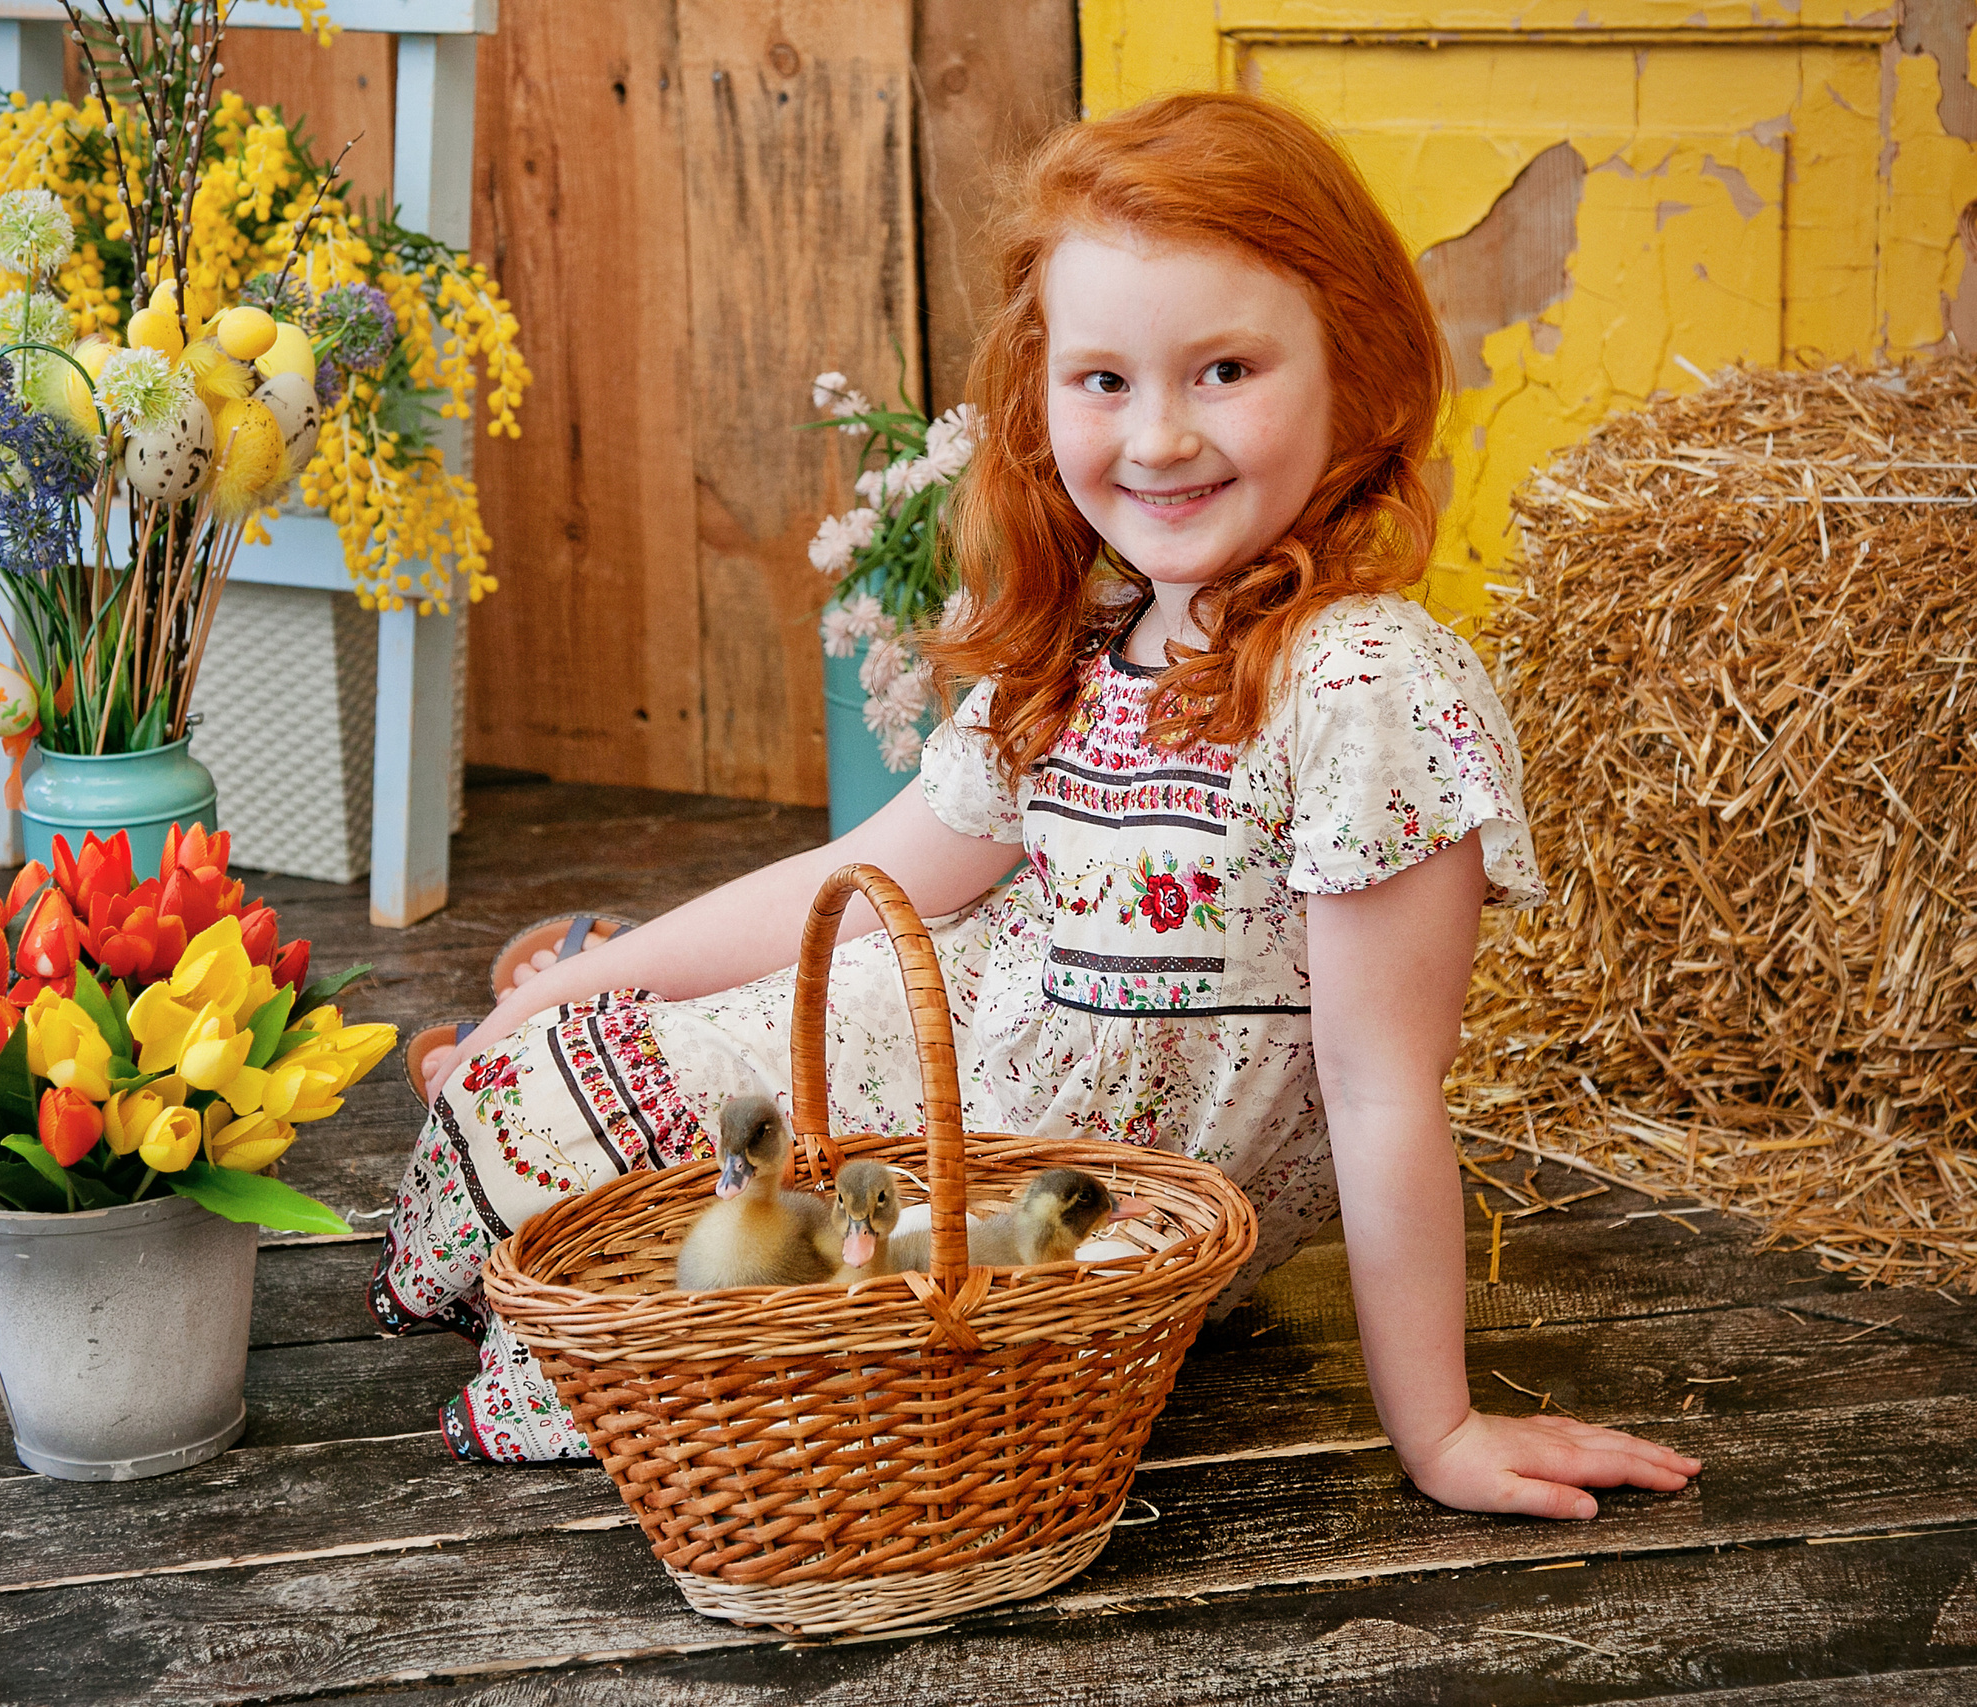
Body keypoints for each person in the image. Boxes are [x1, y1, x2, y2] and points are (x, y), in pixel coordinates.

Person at [371, 89, 1701, 1520]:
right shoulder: (1089, 644)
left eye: (1227, 369)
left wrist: (1437, 1431)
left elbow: (1384, 1096)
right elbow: (877, 869)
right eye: (1105, 380)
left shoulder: (1362, 684)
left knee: (730, 1261)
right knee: (563, 1050)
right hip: (968, 1059)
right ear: (1039, 392)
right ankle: (569, 994)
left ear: (1355, 376)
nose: (1161, 437)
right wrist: (578, 992)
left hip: (1078, 1191)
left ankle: (589, 1182)